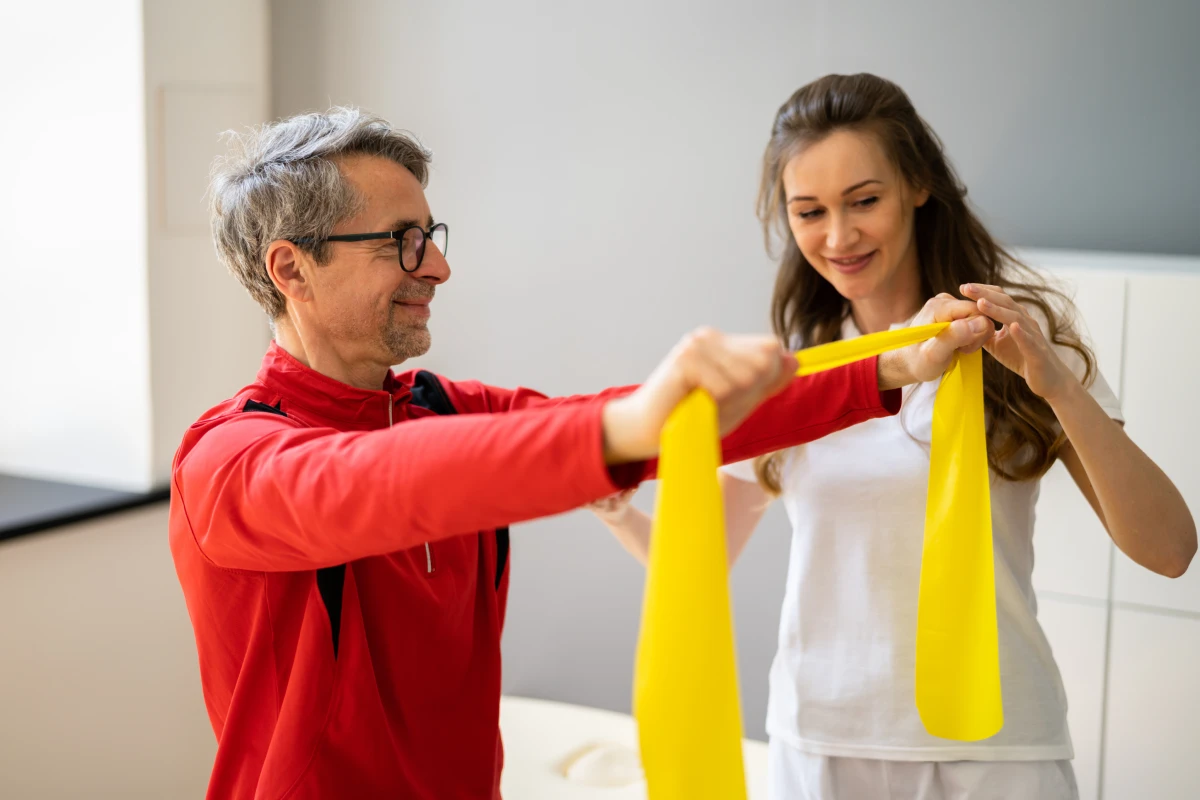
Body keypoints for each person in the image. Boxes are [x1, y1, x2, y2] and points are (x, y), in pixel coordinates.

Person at [168, 106, 991, 799]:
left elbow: (657, 420)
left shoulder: (440, 408)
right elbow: (372, 482)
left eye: (432, 235)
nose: (439, 267)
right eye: (402, 242)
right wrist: (629, 427)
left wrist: (885, 368)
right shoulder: (227, 463)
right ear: (292, 269)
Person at [589, 73, 1196, 800]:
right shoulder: (794, 373)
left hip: (993, 749)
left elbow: (1170, 550)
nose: (838, 237)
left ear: (916, 185)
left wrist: (1059, 387)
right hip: (820, 745)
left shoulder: (1015, 338)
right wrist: (617, 509)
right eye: (809, 212)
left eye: (864, 201)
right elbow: (701, 557)